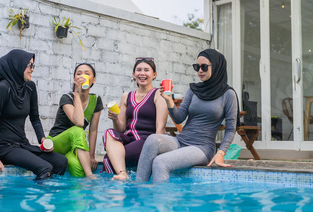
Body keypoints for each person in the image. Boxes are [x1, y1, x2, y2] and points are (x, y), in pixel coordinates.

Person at [136, 49, 238, 183]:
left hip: (202, 148)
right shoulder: (193, 89)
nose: (199, 71)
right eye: (197, 67)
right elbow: (179, 118)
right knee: (152, 140)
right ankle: (138, 192)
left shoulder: (228, 94)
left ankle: (159, 202)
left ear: (217, 67)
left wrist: (221, 153)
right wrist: (168, 100)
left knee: (160, 162)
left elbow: (231, 128)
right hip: (181, 141)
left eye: (204, 67)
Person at [0, 49, 68, 180]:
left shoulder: (30, 87)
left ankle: (52, 195)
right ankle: (37, 198)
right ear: (16, 65)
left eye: (33, 65)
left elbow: (34, 117)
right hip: (5, 147)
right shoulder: (2, 88)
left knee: (61, 162)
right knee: (45, 167)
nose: (32, 69)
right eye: (29, 65)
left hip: (22, 144)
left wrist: (42, 139)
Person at [102, 57, 168, 180]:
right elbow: (120, 129)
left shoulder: (158, 95)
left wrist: (157, 151)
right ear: (133, 74)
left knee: (108, 158)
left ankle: (121, 175)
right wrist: (115, 118)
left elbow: (161, 128)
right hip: (128, 139)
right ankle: (122, 174)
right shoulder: (126, 96)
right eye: (138, 70)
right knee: (109, 133)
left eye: (146, 70)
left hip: (147, 142)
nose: (142, 73)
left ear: (154, 75)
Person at [47, 62, 103, 178]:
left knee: (77, 167)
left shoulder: (96, 100)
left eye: (87, 73)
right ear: (74, 79)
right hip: (56, 143)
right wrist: (77, 94)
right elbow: (79, 122)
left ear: (94, 80)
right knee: (78, 130)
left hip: (73, 147)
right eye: (79, 74)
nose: (82, 76)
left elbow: (93, 130)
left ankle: (77, 194)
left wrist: (92, 156)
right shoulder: (67, 98)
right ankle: (90, 175)